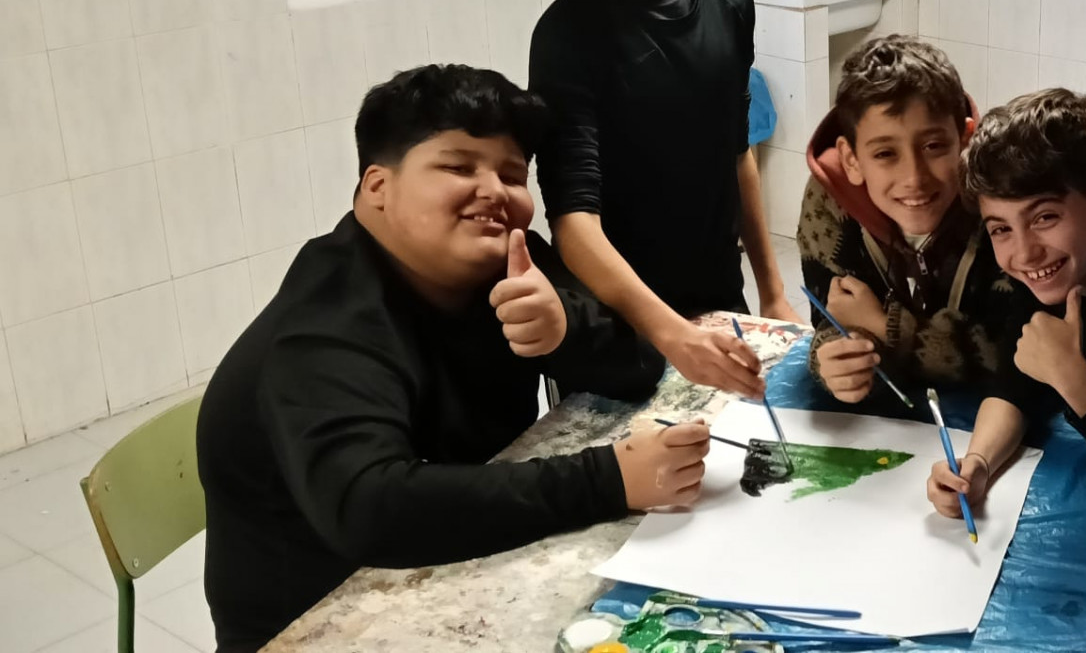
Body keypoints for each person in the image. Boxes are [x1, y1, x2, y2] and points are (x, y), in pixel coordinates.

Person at [196, 66, 711, 651]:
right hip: (325, 624)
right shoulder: (325, 327)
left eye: (512, 175)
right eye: (459, 167)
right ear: (377, 186)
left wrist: (564, 330)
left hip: (459, 574)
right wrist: (609, 480)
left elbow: (640, 365)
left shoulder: (506, 261)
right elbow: (372, 509)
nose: (494, 191)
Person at [530, 0, 795, 401]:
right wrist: (671, 334)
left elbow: (737, 155)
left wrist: (773, 291)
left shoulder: (729, 7)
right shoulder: (567, 35)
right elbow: (574, 223)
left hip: (718, 309)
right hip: (614, 332)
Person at [925, 88, 1086, 520]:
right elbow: (1014, 385)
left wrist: (1073, 379)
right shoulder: (1049, 277)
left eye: (1045, 218)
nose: (1025, 254)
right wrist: (977, 464)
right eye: (1001, 229)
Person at [797, 35, 1016, 402]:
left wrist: (886, 329)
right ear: (851, 160)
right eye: (885, 154)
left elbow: (1014, 352)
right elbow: (832, 320)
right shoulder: (829, 201)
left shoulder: (1003, 197)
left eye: (933, 146)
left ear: (965, 140)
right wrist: (835, 361)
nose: (914, 178)